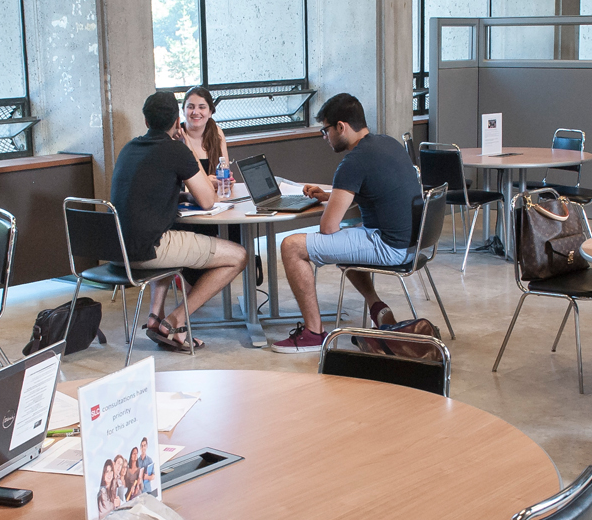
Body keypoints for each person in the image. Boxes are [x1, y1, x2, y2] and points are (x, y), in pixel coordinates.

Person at [269, 93, 421, 354]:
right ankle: (376, 306)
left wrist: (333, 205)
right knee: (343, 244)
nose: (325, 137)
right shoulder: (388, 143)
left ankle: (314, 333)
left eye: (325, 130)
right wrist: (332, 197)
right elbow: (375, 189)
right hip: (413, 242)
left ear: (341, 126)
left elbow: (328, 228)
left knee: (292, 246)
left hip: (388, 245)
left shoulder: (353, 162)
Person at [110, 90, 248, 352]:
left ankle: (154, 317)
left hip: (116, 250)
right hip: (148, 250)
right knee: (238, 255)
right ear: (177, 119)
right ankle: (174, 321)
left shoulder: (129, 148)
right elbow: (208, 201)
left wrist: (183, 193)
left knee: (169, 233)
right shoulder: (176, 150)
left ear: (146, 122)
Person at [179, 86, 228, 172]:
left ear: (210, 112)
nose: (196, 112)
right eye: (190, 107)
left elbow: (225, 169)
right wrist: (208, 181)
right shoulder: (176, 135)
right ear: (183, 111)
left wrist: (226, 180)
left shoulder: (217, 132)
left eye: (202, 107)